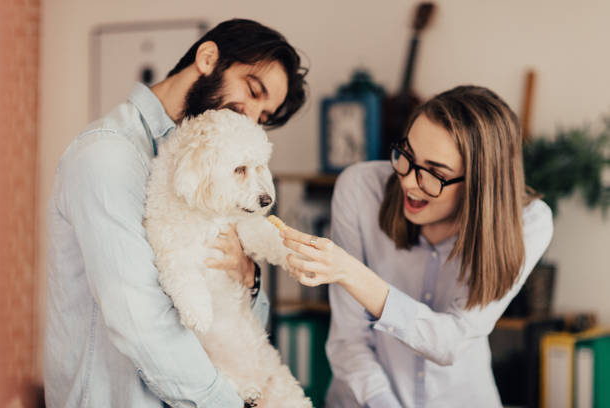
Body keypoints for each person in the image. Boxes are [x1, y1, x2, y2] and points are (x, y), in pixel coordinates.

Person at [44, 19, 307, 408]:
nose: (249, 117)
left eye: (263, 116)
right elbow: (141, 324)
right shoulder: (108, 157)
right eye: (252, 92)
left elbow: (245, 319)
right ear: (207, 58)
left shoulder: (217, 173)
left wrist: (248, 278)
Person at [281, 85, 553, 408]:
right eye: (407, 156)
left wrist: (352, 274)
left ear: (479, 184)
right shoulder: (360, 190)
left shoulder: (528, 223)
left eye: (435, 173)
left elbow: (451, 340)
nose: (409, 181)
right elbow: (349, 341)